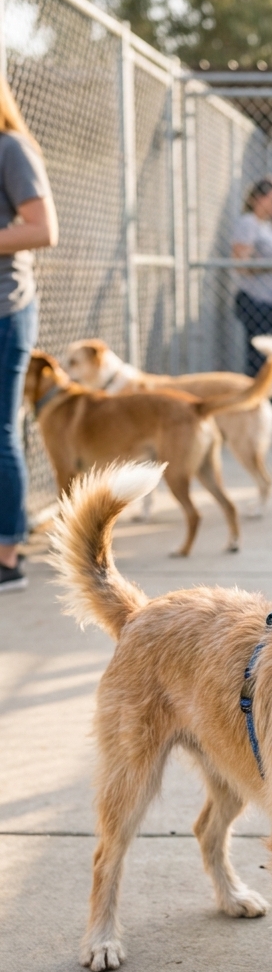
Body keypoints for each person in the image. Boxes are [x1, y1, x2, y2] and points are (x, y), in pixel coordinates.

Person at [0, 78, 58, 594]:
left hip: (5, 308)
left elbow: (43, 228)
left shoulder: (10, 147)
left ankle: (8, 555)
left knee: (0, 429)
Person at [231, 176, 272, 376]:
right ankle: (258, 403)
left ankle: (267, 403)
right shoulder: (248, 223)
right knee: (261, 363)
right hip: (257, 302)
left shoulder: (266, 226)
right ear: (257, 198)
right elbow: (241, 265)